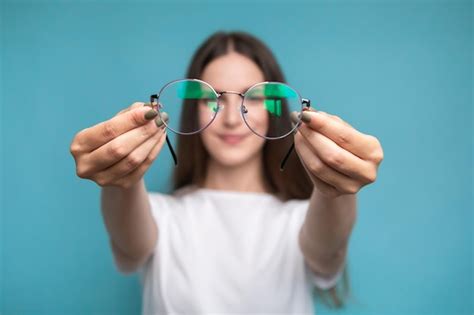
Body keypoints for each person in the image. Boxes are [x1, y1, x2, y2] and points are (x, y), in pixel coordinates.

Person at [69, 31, 384, 314]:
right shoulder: (160, 217)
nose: (232, 118)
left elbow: (328, 245)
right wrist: (120, 173)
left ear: (276, 109)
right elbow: (129, 239)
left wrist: (336, 185)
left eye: (254, 97)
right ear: (192, 109)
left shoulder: (301, 220)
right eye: (213, 98)